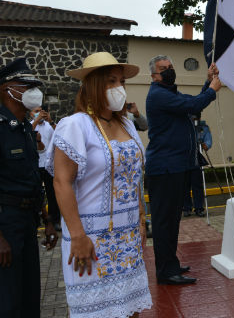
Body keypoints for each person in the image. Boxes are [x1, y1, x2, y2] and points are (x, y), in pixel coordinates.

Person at [47, 52, 152, 317]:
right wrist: (78, 237)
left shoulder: (127, 124)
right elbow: (61, 182)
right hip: (90, 239)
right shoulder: (75, 126)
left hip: (127, 236)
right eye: (110, 81)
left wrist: (141, 222)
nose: (118, 88)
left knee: (130, 309)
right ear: (93, 85)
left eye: (121, 82)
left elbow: (134, 177)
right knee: (95, 312)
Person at [145, 55, 221, 285]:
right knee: (164, 222)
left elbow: (191, 103)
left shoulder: (171, 94)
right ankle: (166, 271)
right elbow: (193, 105)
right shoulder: (158, 95)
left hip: (176, 167)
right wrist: (213, 90)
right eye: (163, 69)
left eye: (170, 67)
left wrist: (208, 83)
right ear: (153, 75)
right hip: (165, 168)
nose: (169, 71)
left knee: (171, 220)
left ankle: (171, 264)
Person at [0, 58, 57, 318]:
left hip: (27, 218)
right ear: (7, 89)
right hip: (5, 222)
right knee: (8, 299)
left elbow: (33, 177)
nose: (33, 91)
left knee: (31, 294)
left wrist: (45, 218)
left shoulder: (24, 127)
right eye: (26, 85)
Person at [31, 105, 61, 229]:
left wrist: (51, 121)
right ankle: (35, 222)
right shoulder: (29, 124)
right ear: (31, 113)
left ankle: (54, 220)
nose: (39, 114)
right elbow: (27, 132)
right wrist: (37, 120)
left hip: (48, 164)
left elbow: (60, 133)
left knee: (52, 193)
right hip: (35, 164)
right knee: (35, 194)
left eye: (41, 111)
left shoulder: (49, 125)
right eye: (36, 111)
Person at [183, 117, 212, 218]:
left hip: (196, 161)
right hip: (184, 160)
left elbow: (208, 142)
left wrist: (206, 145)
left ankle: (199, 208)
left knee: (197, 185)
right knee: (184, 186)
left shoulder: (202, 127)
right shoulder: (182, 125)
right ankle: (186, 208)